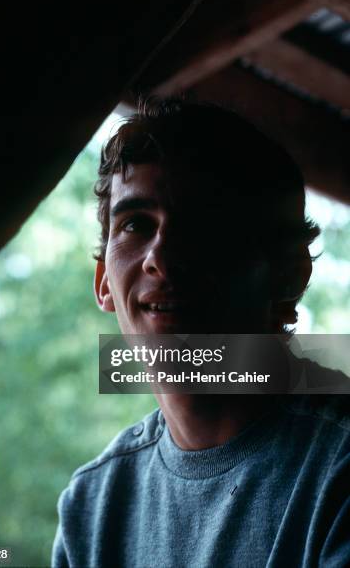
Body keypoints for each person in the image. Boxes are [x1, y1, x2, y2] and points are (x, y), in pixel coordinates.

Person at [52, 98, 350, 567]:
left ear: (289, 275)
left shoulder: (338, 465)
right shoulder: (92, 505)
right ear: (103, 282)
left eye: (205, 222)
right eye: (135, 224)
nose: (161, 256)